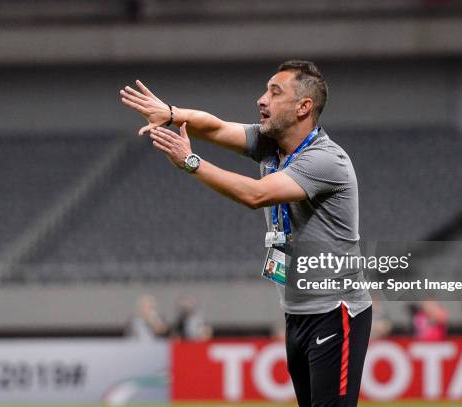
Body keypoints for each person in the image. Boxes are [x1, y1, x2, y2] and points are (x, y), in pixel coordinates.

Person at [120, 60, 372, 407]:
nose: (261, 100)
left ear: (304, 107)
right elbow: (216, 127)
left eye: (274, 92)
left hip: (336, 310)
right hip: (297, 312)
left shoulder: (327, 160)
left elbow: (256, 195)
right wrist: (171, 113)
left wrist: (191, 162)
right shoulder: (271, 144)